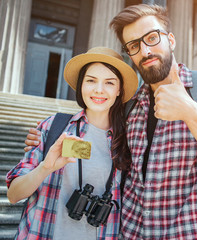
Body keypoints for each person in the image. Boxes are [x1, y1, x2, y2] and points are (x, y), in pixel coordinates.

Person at [25, 4, 197, 239]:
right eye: (134, 46)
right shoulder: (130, 107)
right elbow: (99, 146)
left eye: (152, 38)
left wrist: (192, 112)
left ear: (171, 40)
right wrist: (47, 139)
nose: (145, 51)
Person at [7, 47, 138, 240]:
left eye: (109, 83)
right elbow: (13, 195)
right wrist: (45, 168)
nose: (99, 89)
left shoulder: (128, 141)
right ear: (81, 85)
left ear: (119, 90)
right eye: (91, 80)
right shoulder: (54, 127)